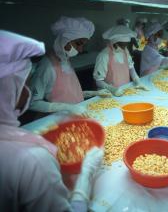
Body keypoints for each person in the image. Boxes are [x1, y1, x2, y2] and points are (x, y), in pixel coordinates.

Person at [0, 30, 105, 212]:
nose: (28, 90)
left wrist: (91, 93)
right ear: (9, 90)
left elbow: (71, 90)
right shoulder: (33, 160)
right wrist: (84, 179)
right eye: (25, 82)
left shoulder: (66, 61)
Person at [29, 16, 110, 115]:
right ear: (65, 40)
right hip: (57, 119)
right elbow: (32, 103)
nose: (80, 50)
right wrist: (67, 107)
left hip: (75, 115)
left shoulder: (65, 60)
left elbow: (69, 94)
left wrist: (94, 93)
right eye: (78, 44)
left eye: (83, 45)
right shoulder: (47, 66)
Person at [93, 25, 148, 97]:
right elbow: (98, 81)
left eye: (126, 45)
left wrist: (137, 81)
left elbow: (131, 68)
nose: (124, 48)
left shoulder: (125, 51)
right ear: (114, 43)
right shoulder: (104, 56)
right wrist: (113, 89)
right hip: (110, 94)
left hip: (125, 91)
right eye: (121, 45)